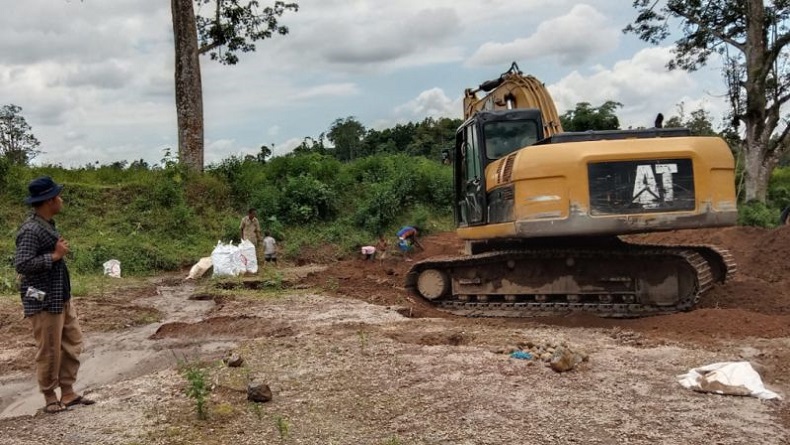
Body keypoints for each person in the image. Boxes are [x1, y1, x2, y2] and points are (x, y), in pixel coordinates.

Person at [14, 176, 95, 414]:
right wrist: (55, 256)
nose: (61, 200)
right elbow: (22, 263)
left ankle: (68, 393)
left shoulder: (46, 225)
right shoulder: (30, 230)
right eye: (58, 196)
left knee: (72, 342)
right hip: (44, 299)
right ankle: (50, 397)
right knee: (49, 349)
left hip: (60, 296)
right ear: (49, 201)